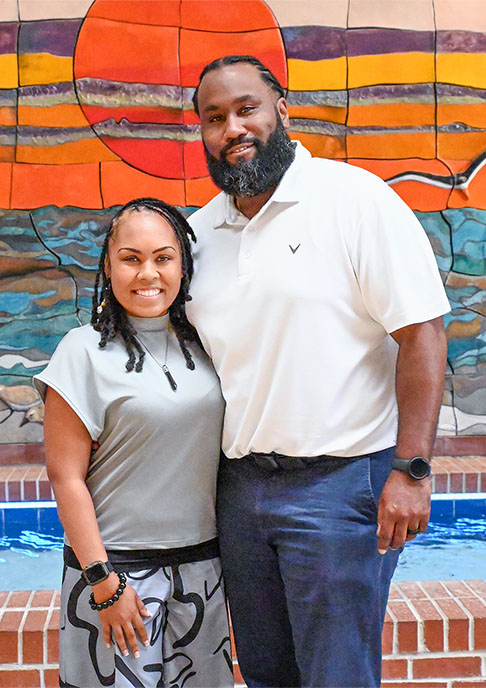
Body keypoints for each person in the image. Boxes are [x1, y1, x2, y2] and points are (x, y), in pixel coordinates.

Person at [186, 55, 451, 688]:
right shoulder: (198, 234)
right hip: (241, 493)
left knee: (337, 675)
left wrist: (412, 469)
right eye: (213, 117)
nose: (232, 129)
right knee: (267, 672)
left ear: (282, 107)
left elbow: (423, 331)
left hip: (340, 487)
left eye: (246, 108)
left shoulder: (354, 200)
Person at [34, 198, 233, 688]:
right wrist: (102, 582)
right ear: (109, 263)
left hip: (201, 569)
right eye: (131, 258)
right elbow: (66, 476)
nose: (148, 273)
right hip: (116, 573)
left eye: (163, 258)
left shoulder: (207, 345)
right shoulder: (81, 352)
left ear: (183, 267)